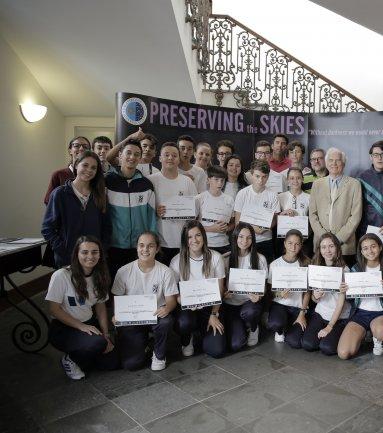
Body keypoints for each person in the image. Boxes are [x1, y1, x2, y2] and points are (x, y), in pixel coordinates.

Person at [45, 236, 119, 380]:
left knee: (112, 362)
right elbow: (54, 309)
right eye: (84, 252)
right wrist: (81, 326)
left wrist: (106, 334)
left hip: (89, 324)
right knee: (98, 343)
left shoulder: (100, 275)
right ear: (76, 254)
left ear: (100, 254)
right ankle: (70, 359)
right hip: (64, 328)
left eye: (94, 252)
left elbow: (100, 306)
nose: (90, 256)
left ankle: (86, 356)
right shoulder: (61, 275)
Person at [112, 232, 178, 371]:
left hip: (156, 315)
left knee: (166, 321)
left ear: (157, 248)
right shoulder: (123, 271)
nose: (145, 249)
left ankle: (159, 354)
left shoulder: (166, 272)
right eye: (141, 245)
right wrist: (116, 314)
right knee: (131, 365)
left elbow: (171, 301)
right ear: (136, 247)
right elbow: (116, 299)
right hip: (133, 319)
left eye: (150, 246)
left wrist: (167, 308)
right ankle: (146, 343)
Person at [170, 221, 226, 358]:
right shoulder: (176, 261)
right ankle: (187, 338)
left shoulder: (216, 258)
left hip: (210, 309)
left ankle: (202, 331)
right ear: (185, 240)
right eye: (189, 237)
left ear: (204, 237)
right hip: (188, 310)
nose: (194, 240)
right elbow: (173, 292)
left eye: (198, 235)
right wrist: (182, 301)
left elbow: (219, 291)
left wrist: (214, 314)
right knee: (185, 323)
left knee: (216, 351)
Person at [42, 151, 106, 268]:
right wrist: (63, 250)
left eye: (93, 168)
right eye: (85, 165)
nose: (89, 170)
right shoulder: (60, 194)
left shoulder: (100, 195)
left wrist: (100, 251)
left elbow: (106, 227)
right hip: (67, 259)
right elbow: (47, 228)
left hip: (93, 260)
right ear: (76, 165)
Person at [105, 139, 157, 279]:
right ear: (120, 155)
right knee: (114, 285)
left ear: (140, 158)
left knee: (137, 285)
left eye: (136, 154)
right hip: (113, 246)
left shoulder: (146, 185)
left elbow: (151, 217)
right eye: (128, 153)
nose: (132, 157)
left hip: (139, 247)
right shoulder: (107, 182)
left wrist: (151, 242)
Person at [309, 147, 362, 267]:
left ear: (343, 163)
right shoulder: (317, 184)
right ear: (326, 163)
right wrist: (324, 239)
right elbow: (312, 214)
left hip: (345, 245)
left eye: (337, 160)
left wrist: (338, 239)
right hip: (321, 246)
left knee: (344, 282)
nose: (334, 163)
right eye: (331, 160)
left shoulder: (354, 184)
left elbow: (356, 215)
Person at [149, 142, 197, 266]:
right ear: (160, 158)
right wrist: (155, 211)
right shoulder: (151, 181)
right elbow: (145, 211)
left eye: (174, 155)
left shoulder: (187, 182)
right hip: (159, 242)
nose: (170, 158)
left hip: (183, 242)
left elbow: (196, 210)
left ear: (179, 158)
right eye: (166, 155)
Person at [301, 233, 349, 355]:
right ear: (319, 250)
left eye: (331, 246)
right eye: (323, 247)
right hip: (321, 313)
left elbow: (340, 304)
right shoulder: (317, 267)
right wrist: (316, 296)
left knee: (327, 348)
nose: (327, 250)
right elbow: (314, 298)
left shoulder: (345, 270)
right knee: (308, 344)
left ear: (337, 248)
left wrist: (329, 327)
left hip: (339, 317)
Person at [338, 233, 383, 359]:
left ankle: (377, 339)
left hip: (380, 313)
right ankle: (364, 334)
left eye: (373, 246)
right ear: (361, 252)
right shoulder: (356, 269)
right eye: (365, 248)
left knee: (380, 331)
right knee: (343, 353)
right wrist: (344, 291)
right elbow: (351, 297)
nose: (370, 251)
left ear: (380, 247)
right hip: (360, 313)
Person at [224, 223, 268, 351]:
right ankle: (243, 325)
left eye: (249, 237)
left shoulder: (260, 259)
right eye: (241, 237)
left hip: (249, 303)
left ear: (253, 239)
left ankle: (253, 327)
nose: (245, 241)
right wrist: (223, 294)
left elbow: (263, 287)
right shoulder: (225, 259)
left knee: (250, 312)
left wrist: (259, 296)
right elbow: (220, 286)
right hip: (231, 304)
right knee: (236, 344)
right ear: (235, 237)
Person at [267, 229, 311, 348]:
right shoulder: (275, 264)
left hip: (297, 307)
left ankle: (290, 325)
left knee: (295, 342)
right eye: (290, 243)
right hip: (279, 305)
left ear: (301, 245)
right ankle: (280, 329)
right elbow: (270, 292)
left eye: (297, 244)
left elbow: (308, 292)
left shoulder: (305, 263)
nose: (293, 247)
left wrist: (302, 313)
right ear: (285, 243)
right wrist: (279, 294)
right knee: (275, 324)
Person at [234, 160, 280, 263]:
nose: (261, 180)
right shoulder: (242, 194)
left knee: (264, 271)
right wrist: (255, 229)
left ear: (268, 176)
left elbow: (275, 219)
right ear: (251, 174)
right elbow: (238, 221)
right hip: (245, 241)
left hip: (265, 240)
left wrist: (264, 229)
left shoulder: (272, 195)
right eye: (257, 176)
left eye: (264, 177)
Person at [196, 165, 234, 254]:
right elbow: (192, 224)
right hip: (204, 244)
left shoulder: (229, 200)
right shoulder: (199, 198)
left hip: (224, 244)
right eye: (216, 180)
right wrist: (211, 228)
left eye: (222, 180)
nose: (220, 183)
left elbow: (233, 222)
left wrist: (227, 228)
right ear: (208, 180)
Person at [44, 136, 91, 204]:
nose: (81, 149)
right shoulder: (58, 175)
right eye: (76, 146)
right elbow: (48, 201)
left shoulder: (91, 175)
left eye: (85, 147)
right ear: (70, 150)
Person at [358, 140, 383, 236]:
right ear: (371, 157)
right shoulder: (362, 178)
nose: (380, 158)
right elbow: (357, 210)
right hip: (369, 231)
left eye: (382, 154)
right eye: (376, 155)